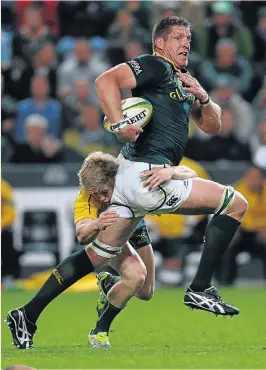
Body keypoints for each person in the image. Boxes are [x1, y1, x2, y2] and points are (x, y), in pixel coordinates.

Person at [88, 16, 248, 333]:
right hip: (146, 171)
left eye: (188, 37)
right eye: (177, 37)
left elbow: (212, 127)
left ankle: (96, 320)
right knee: (234, 202)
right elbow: (105, 80)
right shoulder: (155, 66)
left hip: (148, 174)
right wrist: (119, 124)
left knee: (142, 287)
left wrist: (204, 97)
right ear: (160, 43)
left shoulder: (182, 80)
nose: (186, 42)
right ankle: (200, 287)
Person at [5, 151, 198, 349]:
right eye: (96, 194)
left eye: (105, 192)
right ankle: (99, 330)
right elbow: (82, 235)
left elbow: (191, 174)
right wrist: (97, 224)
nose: (103, 199)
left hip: (137, 226)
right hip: (108, 230)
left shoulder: (131, 173)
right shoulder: (87, 198)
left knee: (145, 292)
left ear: (115, 178)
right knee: (136, 276)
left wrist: (171, 171)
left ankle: (110, 284)